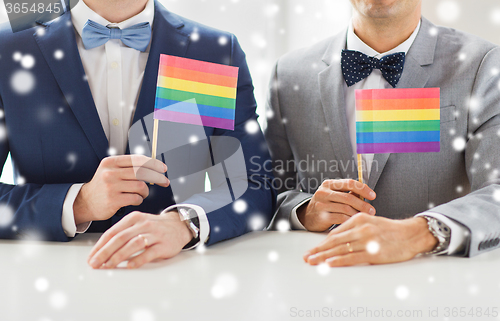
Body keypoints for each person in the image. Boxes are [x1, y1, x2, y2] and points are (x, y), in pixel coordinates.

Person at [0, 0, 276, 269]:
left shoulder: (213, 51)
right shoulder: (8, 48)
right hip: (45, 276)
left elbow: (253, 185)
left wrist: (183, 223)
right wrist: (78, 203)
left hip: (174, 274)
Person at [266, 0, 500, 266]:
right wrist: (304, 211)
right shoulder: (287, 74)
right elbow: (265, 193)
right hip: (321, 278)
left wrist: (420, 233)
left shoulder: (482, 65)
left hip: (431, 283)